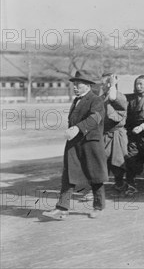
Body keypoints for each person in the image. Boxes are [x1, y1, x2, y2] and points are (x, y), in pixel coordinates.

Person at [42, 71, 108, 220]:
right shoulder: (76, 101)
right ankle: (62, 208)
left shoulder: (96, 100)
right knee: (68, 175)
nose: (75, 87)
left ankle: (98, 207)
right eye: (74, 84)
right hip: (74, 142)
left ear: (88, 85)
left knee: (95, 175)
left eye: (79, 84)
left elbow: (95, 118)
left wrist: (78, 128)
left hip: (91, 142)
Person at [100, 73, 128, 193]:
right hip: (104, 133)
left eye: (104, 83)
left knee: (117, 162)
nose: (102, 85)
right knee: (101, 161)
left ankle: (120, 184)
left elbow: (113, 98)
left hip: (117, 133)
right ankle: (97, 189)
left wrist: (113, 84)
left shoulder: (119, 96)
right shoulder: (101, 98)